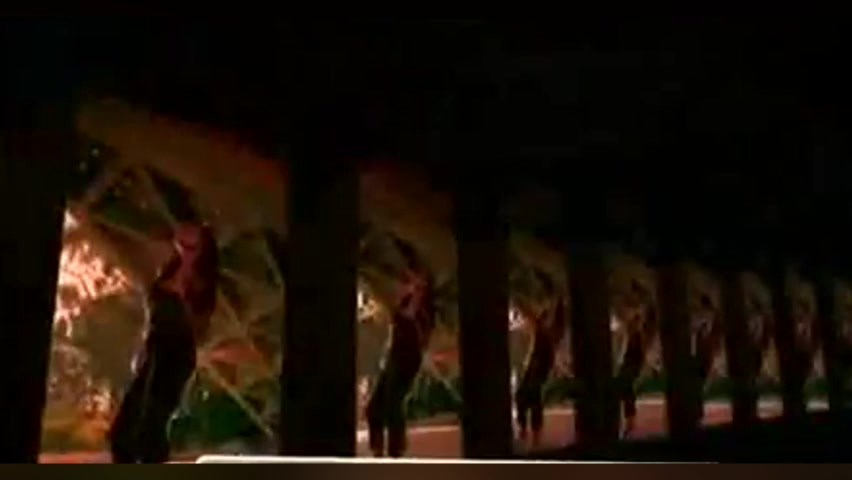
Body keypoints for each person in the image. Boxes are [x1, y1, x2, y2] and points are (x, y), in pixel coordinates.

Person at [109, 222, 219, 463]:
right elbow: (153, 311)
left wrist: (184, 290)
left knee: (152, 425)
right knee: (123, 429)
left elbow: (198, 327)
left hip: (175, 353)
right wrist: (142, 347)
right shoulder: (169, 269)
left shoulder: (202, 282)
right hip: (154, 346)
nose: (182, 241)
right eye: (181, 240)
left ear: (202, 247)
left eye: (191, 242)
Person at [366, 238, 436, 457]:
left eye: (412, 275)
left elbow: (408, 317)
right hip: (395, 355)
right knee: (374, 408)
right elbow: (397, 324)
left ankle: (395, 453)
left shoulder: (422, 302)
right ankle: (379, 452)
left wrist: (413, 290)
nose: (407, 278)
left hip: (408, 357)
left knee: (392, 404)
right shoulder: (409, 297)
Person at [514, 289, 566, 447]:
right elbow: (534, 317)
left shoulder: (549, 329)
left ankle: (534, 433)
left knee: (532, 395)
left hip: (540, 364)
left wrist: (519, 301)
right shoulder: (545, 327)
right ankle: (526, 429)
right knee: (522, 395)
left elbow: (533, 316)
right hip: (535, 363)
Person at [615, 280, 657, 439]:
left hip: (635, 356)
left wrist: (649, 363)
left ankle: (630, 421)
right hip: (629, 357)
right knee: (623, 387)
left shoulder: (640, 328)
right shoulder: (632, 326)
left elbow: (646, 315)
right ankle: (629, 421)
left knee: (625, 386)